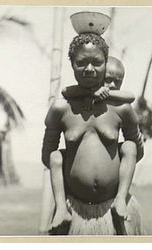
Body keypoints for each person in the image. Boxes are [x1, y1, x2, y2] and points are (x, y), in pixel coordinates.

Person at [42, 33, 144, 235]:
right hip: (75, 207)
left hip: (111, 206)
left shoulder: (121, 108)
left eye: (96, 63)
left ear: (106, 63)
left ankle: (120, 201)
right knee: (56, 155)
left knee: (129, 146)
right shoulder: (61, 109)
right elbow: (48, 156)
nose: (89, 69)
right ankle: (61, 210)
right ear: (72, 65)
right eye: (81, 63)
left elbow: (137, 152)